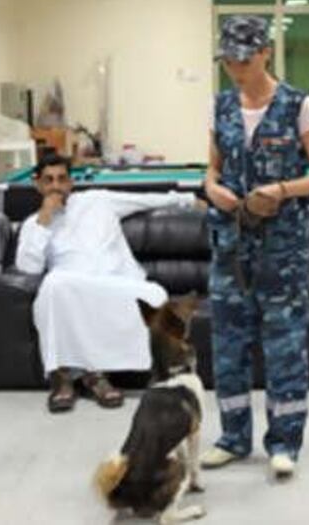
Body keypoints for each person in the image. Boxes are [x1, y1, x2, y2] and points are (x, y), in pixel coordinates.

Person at [201, 15, 309, 478]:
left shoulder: (299, 105)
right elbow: (211, 169)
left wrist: (279, 190)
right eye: (229, 60)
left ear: (265, 53)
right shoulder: (219, 106)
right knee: (228, 344)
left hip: (282, 248)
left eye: (244, 58)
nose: (236, 68)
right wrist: (211, 188)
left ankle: (285, 442)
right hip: (229, 245)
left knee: (285, 344)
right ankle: (233, 437)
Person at [15, 155, 203, 413]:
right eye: (49, 180)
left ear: (71, 183)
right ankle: (69, 377)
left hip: (117, 283)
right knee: (53, 285)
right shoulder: (33, 224)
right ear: (38, 185)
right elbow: (28, 267)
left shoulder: (97, 200)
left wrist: (189, 200)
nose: (56, 186)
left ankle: (88, 373)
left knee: (155, 295)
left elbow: (146, 199)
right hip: (71, 289)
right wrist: (45, 219)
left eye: (61, 179)